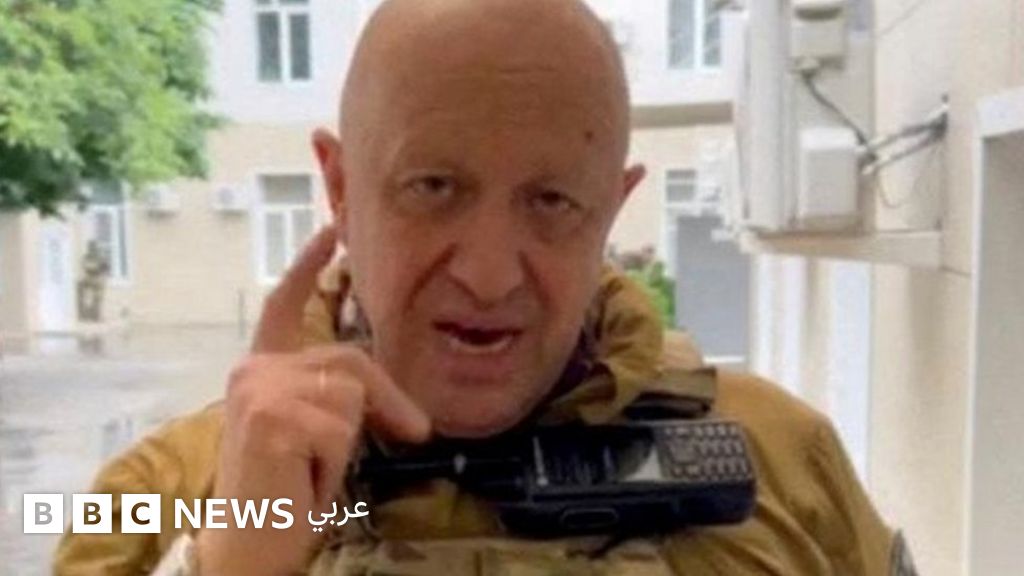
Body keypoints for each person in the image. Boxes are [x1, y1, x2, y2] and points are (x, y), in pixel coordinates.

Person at [55, 0, 914, 574]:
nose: (490, 274)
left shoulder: (787, 462)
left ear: (611, 209)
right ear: (340, 189)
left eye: (553, 201)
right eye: (433, 187)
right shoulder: (148, 498)